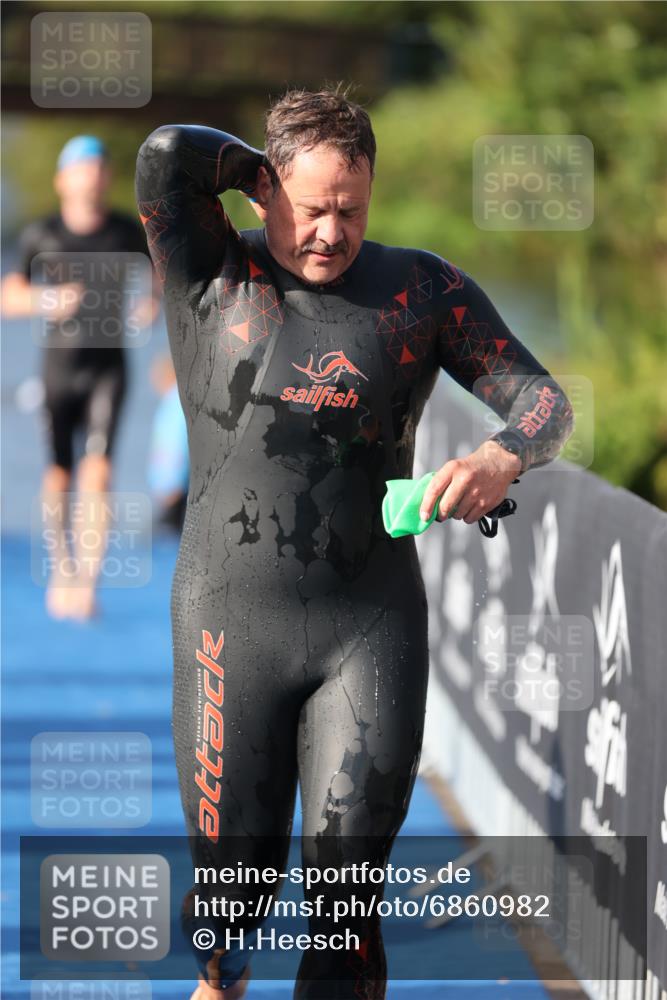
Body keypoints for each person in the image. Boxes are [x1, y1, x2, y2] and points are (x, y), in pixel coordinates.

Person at [135, 87, 574, 999]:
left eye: (351, 209)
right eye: (309, 208)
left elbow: (544, 405)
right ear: (264, 192)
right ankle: (221, 977)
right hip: (229, 621)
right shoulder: (211, 273)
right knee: (230, 896)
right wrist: (251, 175)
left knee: (344, 906)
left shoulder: (421, 290)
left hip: (367, 625)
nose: (330, 233)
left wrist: (501, 456)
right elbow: (166, 155)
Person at [2, 135, 159, 620]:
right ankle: (62, 568)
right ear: (63, 179)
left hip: (108, 367)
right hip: (58, 369)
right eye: (82, 168)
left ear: (107, 178)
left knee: (100, 472)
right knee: (59, 475)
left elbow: (160, 281)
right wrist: (47, 301)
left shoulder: (124, 232)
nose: (92, 177)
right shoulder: (42, 235)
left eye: (99, 168)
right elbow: (9, 297)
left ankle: (88, 580)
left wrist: (150, 306)